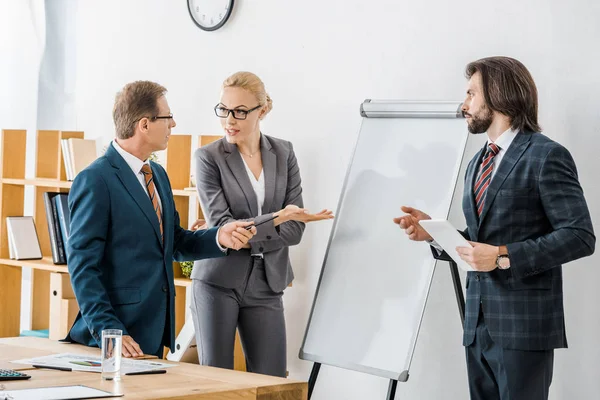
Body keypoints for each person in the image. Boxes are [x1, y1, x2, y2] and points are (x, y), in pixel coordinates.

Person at [394, 57, 595, 400]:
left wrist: (503, 256)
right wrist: (435, 235)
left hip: (524, 326)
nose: (464, 105)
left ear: (498, 94)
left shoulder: (546, 155)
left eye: (471, 94)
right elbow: (481, 242)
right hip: (477, 325)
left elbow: (580, 236)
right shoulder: (477, 162)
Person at [66, 80, 256, 358]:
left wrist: (219, 236)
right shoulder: (96, 179)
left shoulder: (157, 175)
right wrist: (109, 331)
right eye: (167, 118)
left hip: (152, 331)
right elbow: (82, 265)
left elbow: (173, 242)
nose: (174, 124)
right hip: (113, 338)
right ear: (144, 124)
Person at [191, 71, 333, 377]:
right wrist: (278, 217)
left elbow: (295, 231)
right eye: (223, 110)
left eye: (240, 111)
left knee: (271, 383)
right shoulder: (207, 157)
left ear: (263, 111)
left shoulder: (284, 152)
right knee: (217, 384)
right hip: (217, 282)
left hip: (268, 281)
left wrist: (261, 229)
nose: (230, 120)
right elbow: (223, 227)